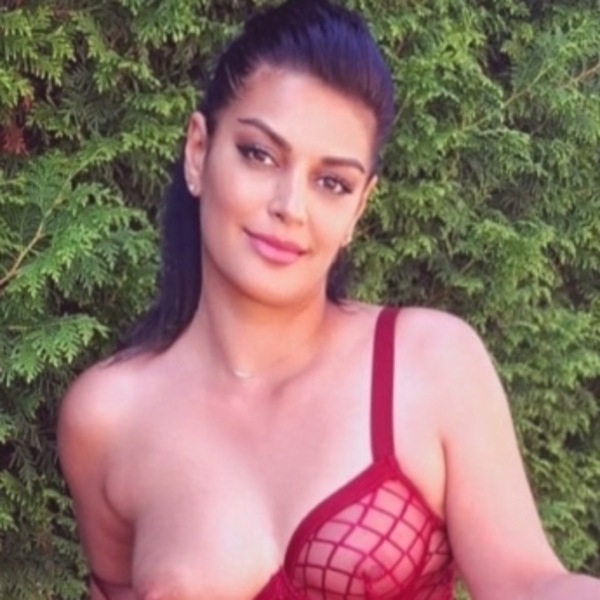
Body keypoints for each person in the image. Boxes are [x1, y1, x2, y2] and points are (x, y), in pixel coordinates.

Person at [57, 1, 600, 599]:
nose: (290, 206)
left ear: (358, 208)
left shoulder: (432, 364)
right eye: (260, 154)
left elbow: (529, 583)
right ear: (198, 151)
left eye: (332, 182)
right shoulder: (106, 418)